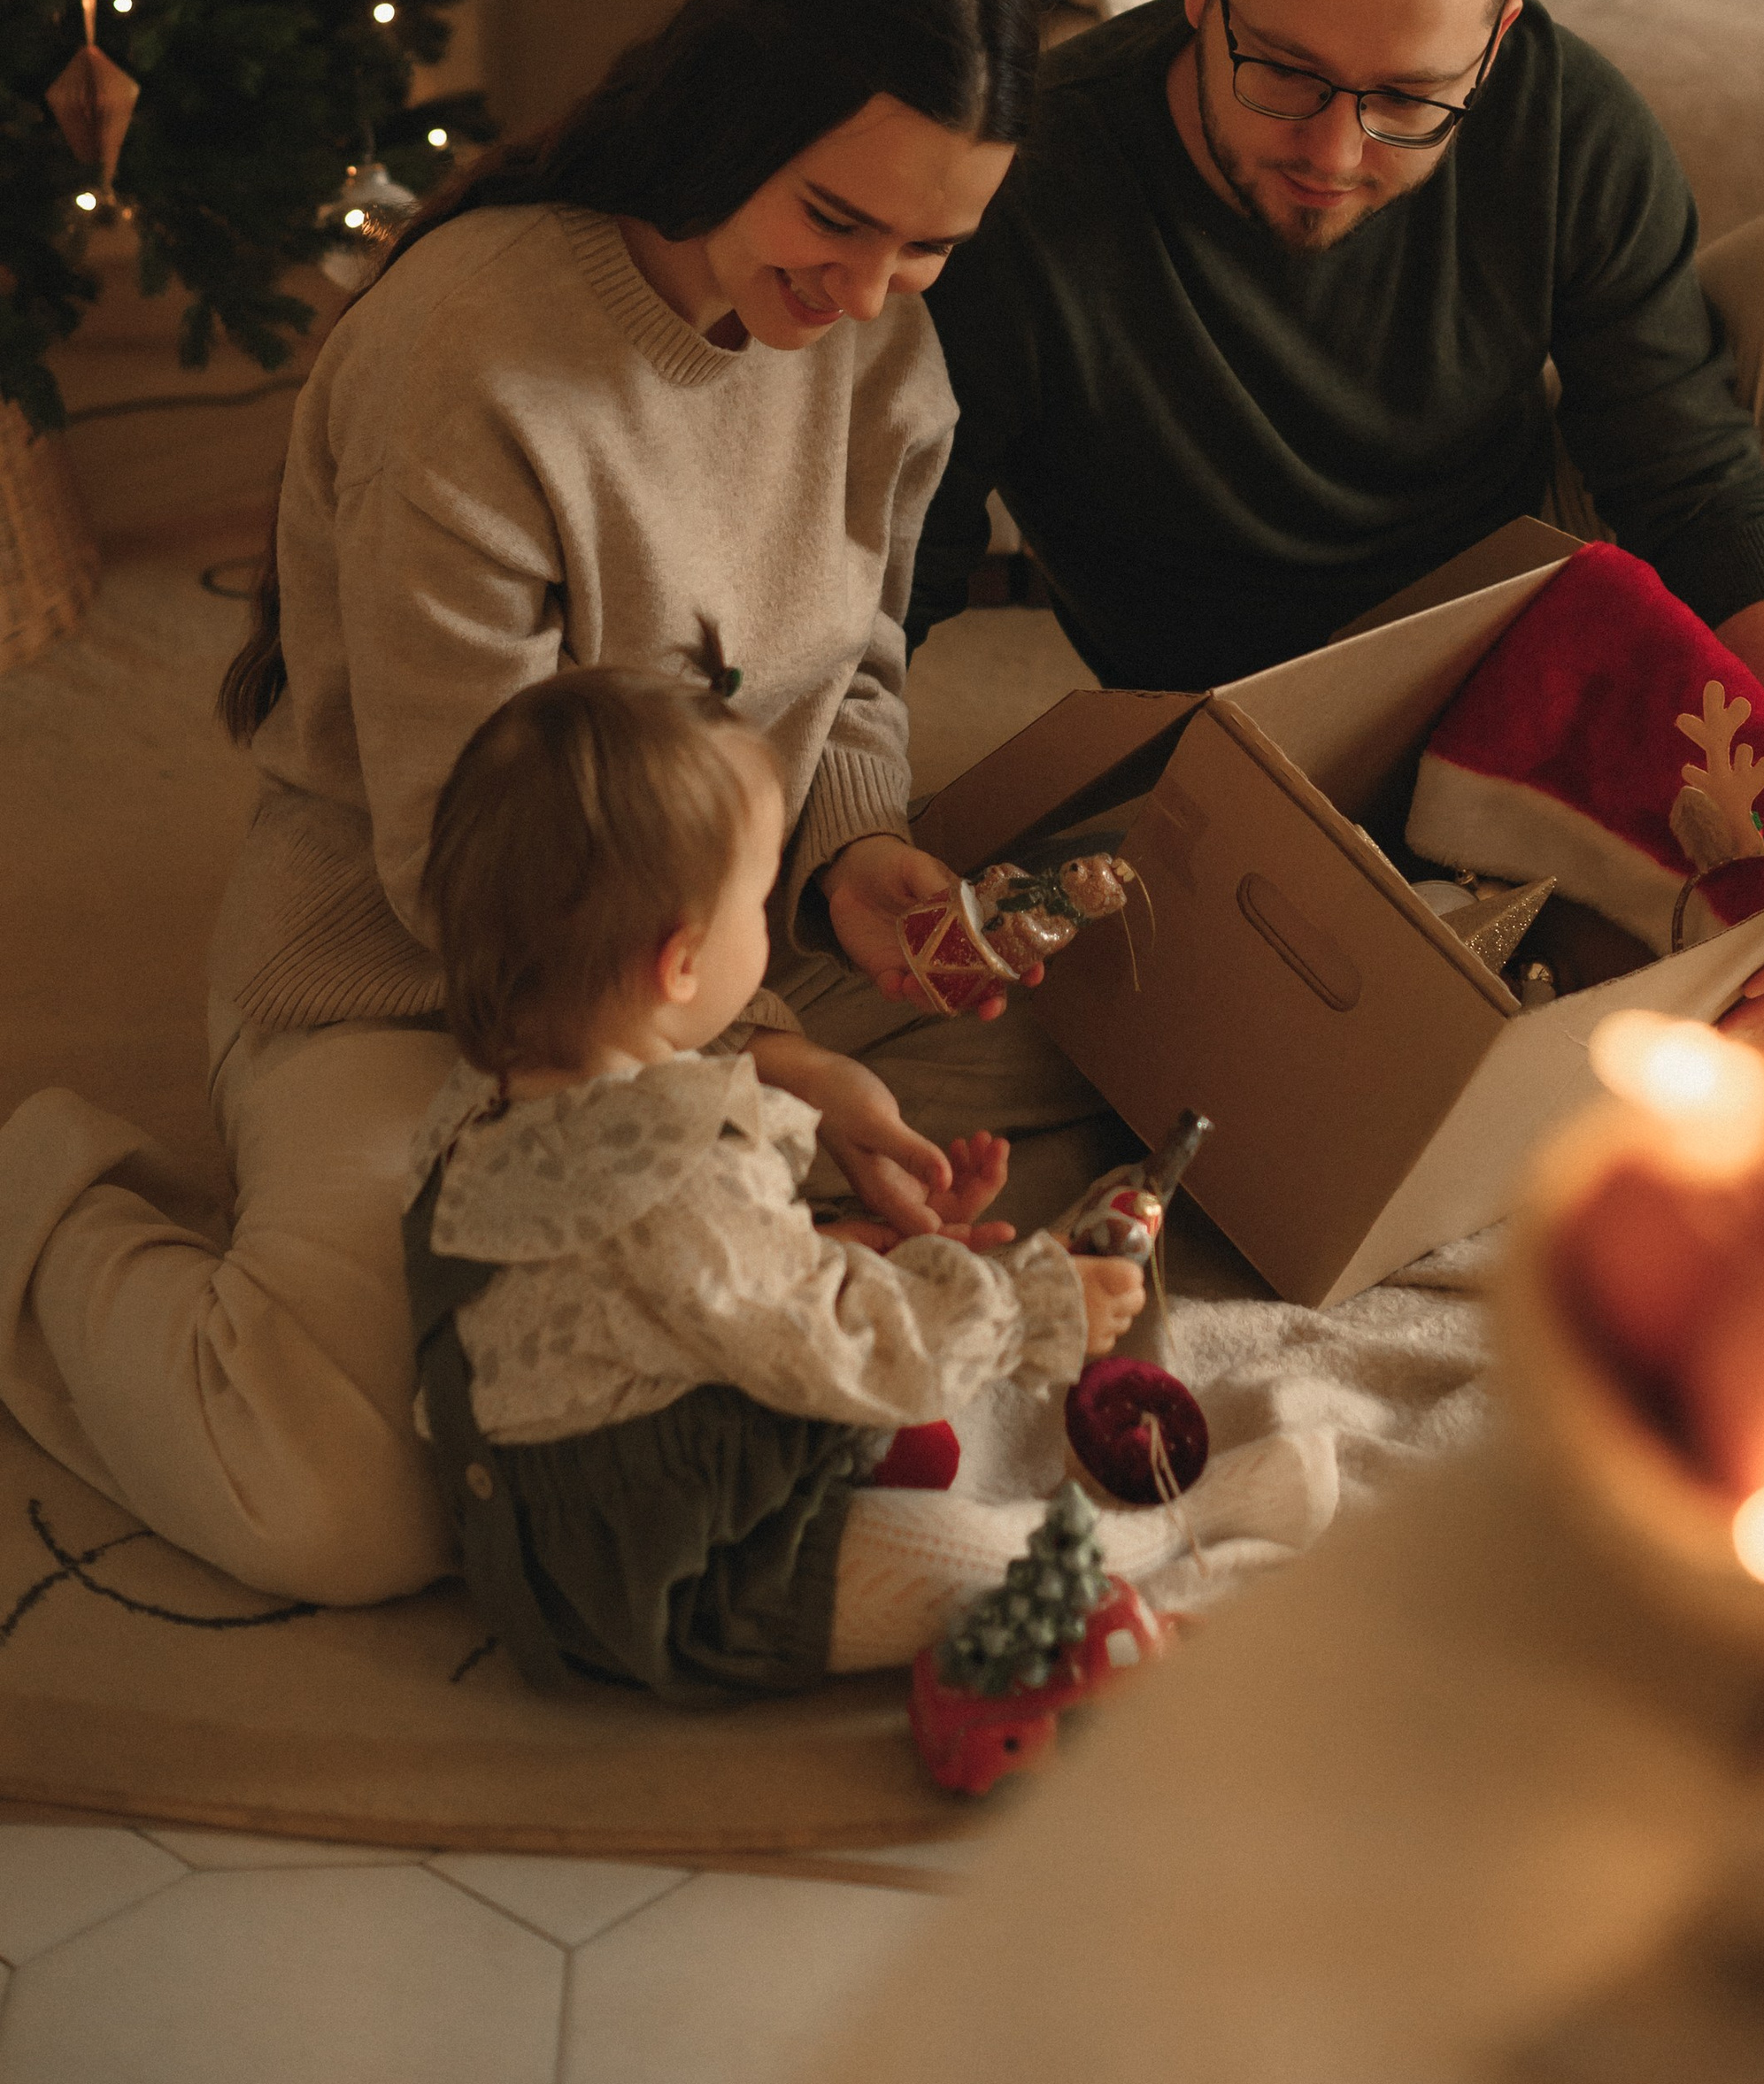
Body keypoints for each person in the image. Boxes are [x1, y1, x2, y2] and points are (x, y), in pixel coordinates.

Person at [0, 0, 1064, 1606]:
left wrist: (861, 850)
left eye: (931, 246)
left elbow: (854, 664)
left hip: (695, 959)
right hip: (439, 965)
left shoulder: (884, 359)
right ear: (738, 121)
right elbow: (480, 872)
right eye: (835, 218)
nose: (870, 292)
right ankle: (31, 1210)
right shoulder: (475, 354)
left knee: (1042, 1106)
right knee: (349, 1507)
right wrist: (771, 1068)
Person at [910, 0, 1764, 873]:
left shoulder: (1558, 114)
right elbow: (888, 562)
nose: (1335, 155)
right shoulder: (1026, 194)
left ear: (1491, 47)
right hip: (1277, 720)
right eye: (1286, 73)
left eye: (1406, 98)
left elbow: (1691, 478)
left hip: (1528, 581)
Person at [405, 666, 1326, 1699]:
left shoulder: (479, 1108)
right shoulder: (681, 1175)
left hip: (554, 1505)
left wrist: (833, 1244)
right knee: (971, 1564)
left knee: (886, 1401)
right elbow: (839, 1343)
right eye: (756, 904)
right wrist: (1033, 1300)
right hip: (669, 1573)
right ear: (679, 964)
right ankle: (1191, 1520)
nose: (769, 935)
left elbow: (641, 1297)